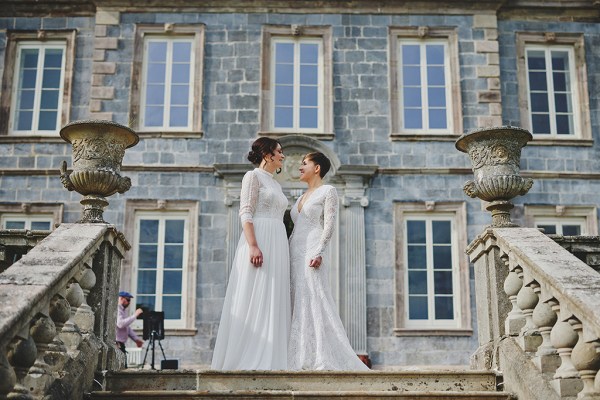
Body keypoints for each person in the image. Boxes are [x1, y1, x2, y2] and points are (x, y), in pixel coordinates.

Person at [211, 137, 291, 370]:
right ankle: (248, 356)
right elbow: (245, 212)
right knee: (256, 291)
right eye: (279, 152)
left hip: (278, 239)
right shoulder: (252, 176)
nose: (282, 156)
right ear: (267, 155)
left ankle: (273, 356)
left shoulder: (276, 184)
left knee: (274, 295)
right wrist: (253, 245)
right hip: (260, 237)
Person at [288, 152, 369, 371]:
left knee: (315, 297)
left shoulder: (328, 191)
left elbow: (329, 225)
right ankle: (298, 353)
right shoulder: (299, 198)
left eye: (304, 163)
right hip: (294, 250)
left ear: (317, 168)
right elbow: (295, 229)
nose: (299, 167)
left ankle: (320, 356)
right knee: (297, 300)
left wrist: (319, 250)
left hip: (313, 248)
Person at [116, 291, 144, 368]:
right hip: (117, 344)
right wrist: (135, 315)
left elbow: (127, 328)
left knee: (123, 367)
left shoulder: (122, 310)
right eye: (128, 300)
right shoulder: (118, 309)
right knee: (120, 368)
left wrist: (136, 339)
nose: (129, 302)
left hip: (120, 344)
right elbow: (120, 324)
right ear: (121, 298)